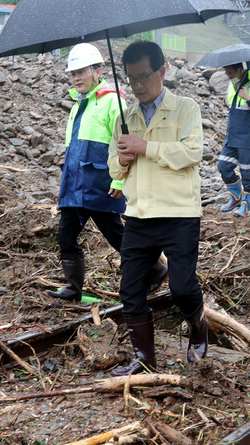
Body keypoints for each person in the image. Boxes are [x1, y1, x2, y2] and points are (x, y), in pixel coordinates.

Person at [108, 41, 207, 376]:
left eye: (144, 76)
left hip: (179, 212)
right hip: (138, 215)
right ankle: (144, 359)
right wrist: (120, 160)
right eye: (131, 78)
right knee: (130, 290)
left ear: (162, 71)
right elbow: (114, 166)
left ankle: (198, 326)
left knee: (181, 287)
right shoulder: (126, 116)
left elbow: (192, 153)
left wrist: (144, 146)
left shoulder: (186, 108)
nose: (138, 86)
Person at [45, 43, 167, 301]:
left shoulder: (113, 101)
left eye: (82, 71)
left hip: (101, 184)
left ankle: (155, 270)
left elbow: (127, 144)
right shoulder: (80, 104)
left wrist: (119, 181)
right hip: (75, 185)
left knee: (119, 237)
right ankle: (73, 288)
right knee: (65, 236)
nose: (76, 77)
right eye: (73, 73)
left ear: (97, 71)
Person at [218, 63, 250, 217]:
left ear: (240, 70)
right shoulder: (233, 83)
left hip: (248, 136)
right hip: (232, 134)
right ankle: (236, 196)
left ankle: (246, 204)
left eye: (230, 72)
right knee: (223, 166)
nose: (228, 76)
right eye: (226, 73)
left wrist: (249, 98)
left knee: (247, 173)